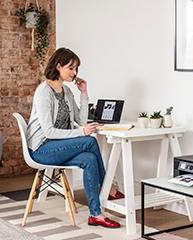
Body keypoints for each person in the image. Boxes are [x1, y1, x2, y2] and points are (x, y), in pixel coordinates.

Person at [26, 47, 124, 228]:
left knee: (88, 159)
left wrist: (84, 93)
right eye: (71, 68)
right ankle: (107, 187)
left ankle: (96, 214)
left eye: (76, 68)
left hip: (61, 146)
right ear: (58, 66)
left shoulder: (67, 91)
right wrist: (82, 132)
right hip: (42, 149)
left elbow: (79, 119)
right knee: (90, 140)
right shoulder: (43, 92)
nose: (75, 72)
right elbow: (48, 132)